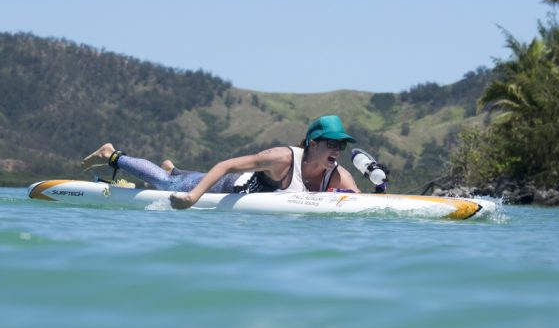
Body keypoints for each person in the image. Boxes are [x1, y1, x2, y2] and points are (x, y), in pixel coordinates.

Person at [81, 115, 361, 209]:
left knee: (174, 176)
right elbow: (225, 165)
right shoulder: (282, 158)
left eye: (342, 146)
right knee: (165, 183)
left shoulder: (337, 175)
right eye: (332, 144)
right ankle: (112, 154)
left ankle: (173, 167)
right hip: (225, 186)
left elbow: (362, 203)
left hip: (231, 189)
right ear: (313, 143)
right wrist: (192, 198)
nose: (338, 150)